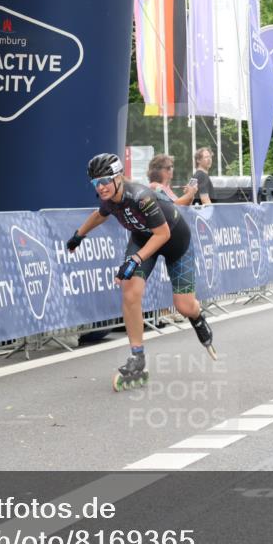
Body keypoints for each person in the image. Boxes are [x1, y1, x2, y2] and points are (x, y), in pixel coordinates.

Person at [67, 153, 216, 390]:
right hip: (142, 239)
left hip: (174, 240)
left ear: (118, 178)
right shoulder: (109, 198)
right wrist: (78, 235)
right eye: (96, 183)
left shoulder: (140, 197)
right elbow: (99, 215)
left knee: (184, 306)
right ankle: (137, 357)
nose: (101, 187)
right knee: (130, 292)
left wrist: (135, 259)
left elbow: (163, 234)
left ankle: (198, 316)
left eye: (105, 180)